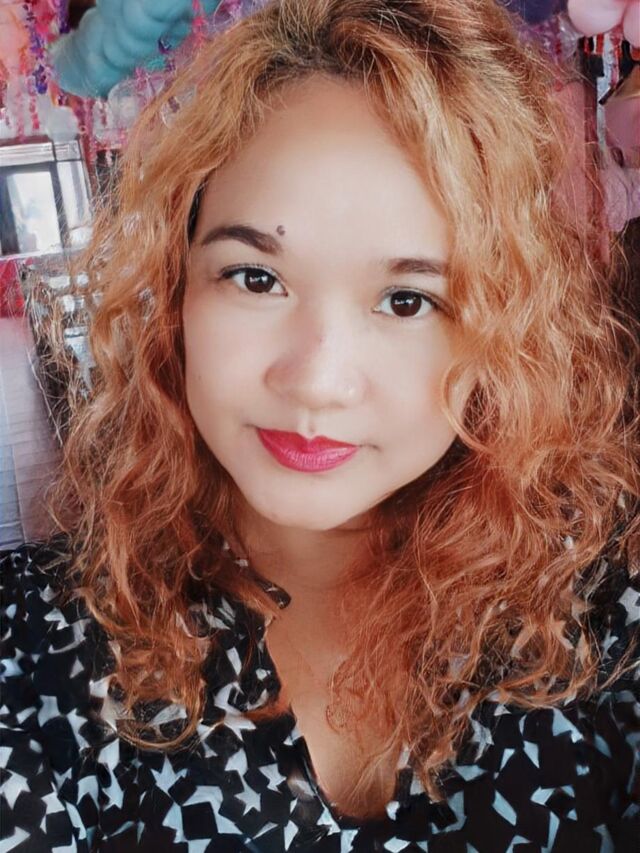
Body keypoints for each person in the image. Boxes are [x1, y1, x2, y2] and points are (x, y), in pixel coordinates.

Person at [1, 0, 638, 850]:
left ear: (503, 332)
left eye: (407, 300)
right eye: (255, 278)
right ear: (177, 289)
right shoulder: (30, 652)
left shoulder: (601, 605)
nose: (316, 381)